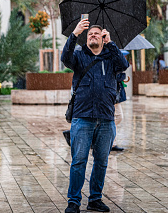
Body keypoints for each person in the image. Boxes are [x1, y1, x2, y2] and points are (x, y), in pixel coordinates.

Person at [61, 19, 129, 213]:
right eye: (90, 33)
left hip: (106, 118)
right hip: (82, 117)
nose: (93, 35)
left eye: (97, 33)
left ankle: (95, 199)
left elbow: (123, 65)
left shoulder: (111, 57)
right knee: (79, 160)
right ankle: (73, 201)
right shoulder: (79, 56)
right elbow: (65, 57)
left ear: (102, 37)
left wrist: (111, 43)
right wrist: (74, 34)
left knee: (101, 161)